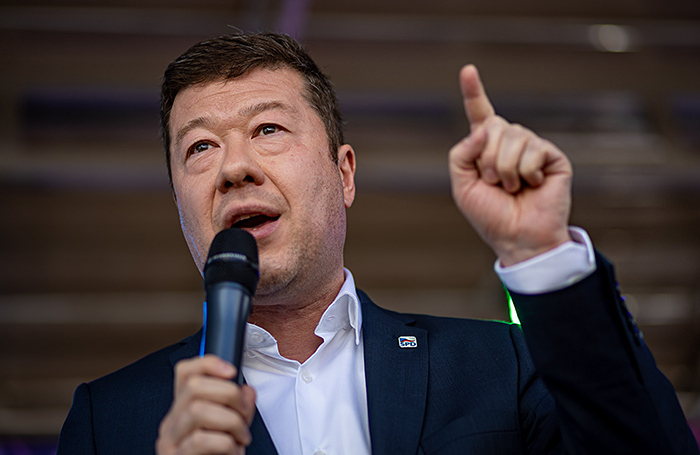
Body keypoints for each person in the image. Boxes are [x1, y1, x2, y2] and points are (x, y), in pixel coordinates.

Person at [57, 33, 698, 455]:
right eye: (200, 147)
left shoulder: (500, 366)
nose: (234, 168)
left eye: (269, 129)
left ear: (344, 174)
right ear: (179, 204)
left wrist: (543, 253)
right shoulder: (108, 422)